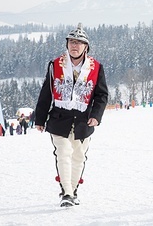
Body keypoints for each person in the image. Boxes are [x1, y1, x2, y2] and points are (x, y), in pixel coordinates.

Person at [35, 23, 108, 207]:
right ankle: (66, 192)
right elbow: (46, 92)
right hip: (60, 117)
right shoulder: (55, 65)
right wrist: (40, 119)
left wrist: (96, 116)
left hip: (84, 119)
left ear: (86, 47)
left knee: (79, 156)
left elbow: (102, 95)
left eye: (79, 43)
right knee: (63, 152)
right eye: (71, 42)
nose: (75, 46)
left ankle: (73, 190)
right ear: (67, 45)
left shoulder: (96, 67)